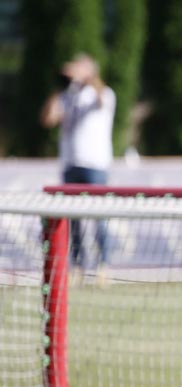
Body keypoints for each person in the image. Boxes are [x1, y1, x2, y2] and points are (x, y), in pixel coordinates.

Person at [40, 53, 115, 282]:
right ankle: (78, 266)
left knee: (98, 217)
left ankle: (103, 265)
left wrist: (88, 75)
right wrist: (58, 87)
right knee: (73, 220)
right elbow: (48, 120)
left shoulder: (102, 93)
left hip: (95, 164)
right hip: (71, 163)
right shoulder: (68, 95)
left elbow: (101, 98)